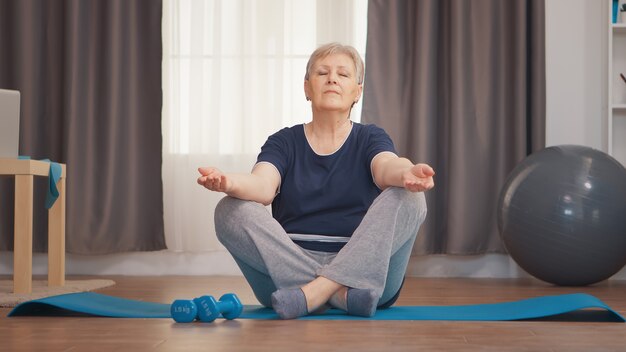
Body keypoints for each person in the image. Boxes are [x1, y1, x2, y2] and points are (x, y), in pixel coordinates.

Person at [197, 42, 435, 319]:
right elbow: (261, 187)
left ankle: (314, 294)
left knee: (410, 196)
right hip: (287, 272)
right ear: (307, 88)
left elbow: (386, 166)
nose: (332, 78)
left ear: (357, 92)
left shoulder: (369, 137)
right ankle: (337, 294)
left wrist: (406, 172)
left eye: (343, 74)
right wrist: (228, 182)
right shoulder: (284, 142)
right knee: (229, 209)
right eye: (323, 72)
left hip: (365, 272)